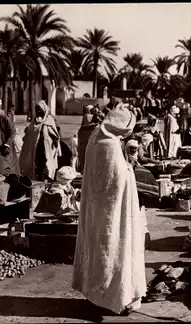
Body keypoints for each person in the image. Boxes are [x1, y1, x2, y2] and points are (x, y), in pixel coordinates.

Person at [72, 103, 146, 315]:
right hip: (112, 213)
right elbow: (117, 178)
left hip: (97, 209)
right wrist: (129, 169)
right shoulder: (110, 145)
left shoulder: (97, 137)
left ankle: (97, 296)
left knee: (99, 252)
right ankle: (115, 298)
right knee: (114, 251)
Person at [20, 100, 61, 181]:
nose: (38, 111)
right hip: (34, 152)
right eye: (36, 109)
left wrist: (55, 144)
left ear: (44, 110)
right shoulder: (33, 122)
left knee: (46, 170)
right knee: (35, 170)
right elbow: (28, 136)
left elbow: (56, 135)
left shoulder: (49, 121)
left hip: (46, 150)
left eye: (39, 109)